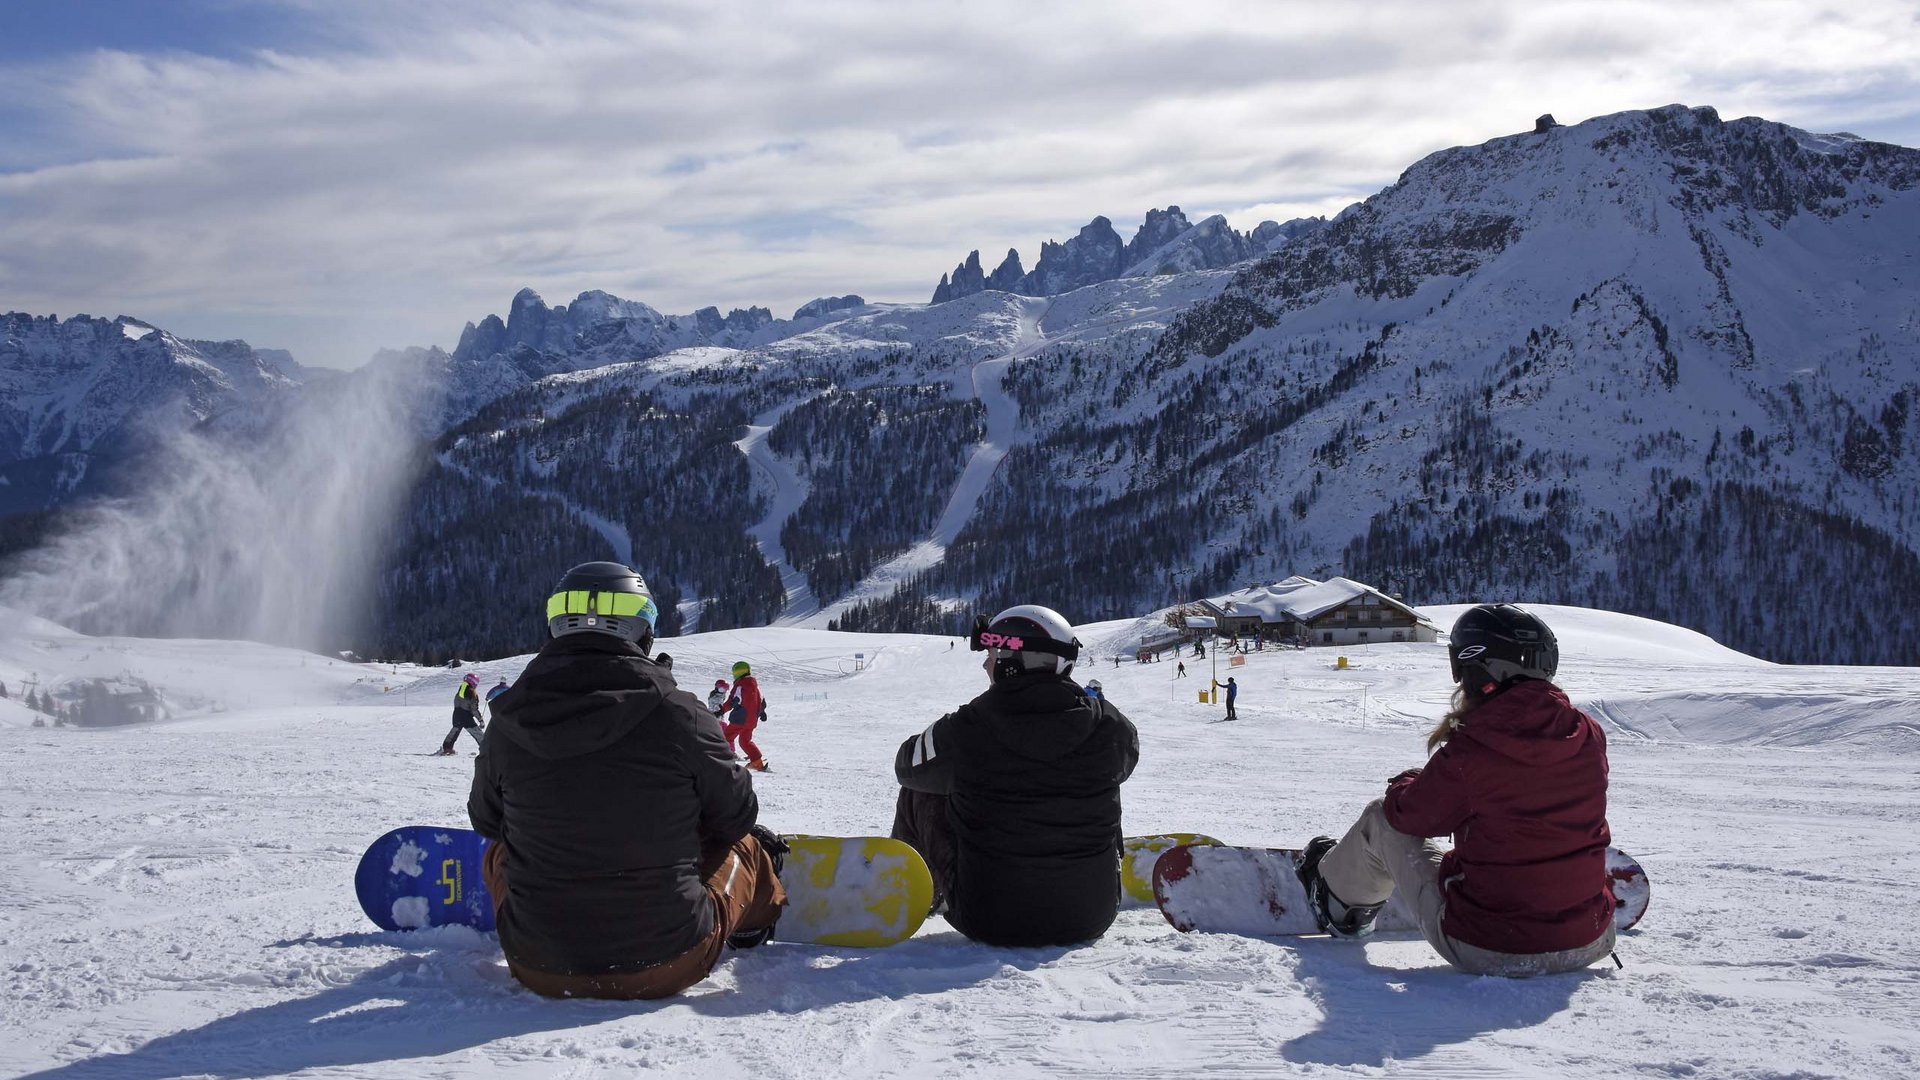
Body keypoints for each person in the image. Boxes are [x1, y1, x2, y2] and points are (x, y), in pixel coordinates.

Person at [469, 561, 786, 1000]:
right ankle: (752, 921)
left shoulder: (508, 719)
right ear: (644, 632)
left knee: (499, 850)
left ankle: (539, 909)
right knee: (745, 846)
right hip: (667, 961)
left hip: (535, 965)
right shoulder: (681, 713)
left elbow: (487, 821)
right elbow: (736, 816)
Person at [1294, 604, 1614, 977]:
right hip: (1591, 939)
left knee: (1380, 817)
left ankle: (1337, 902)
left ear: (1479, 668)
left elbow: (1409, 814)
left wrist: (1407, 782)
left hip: (1493, 948)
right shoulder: (1588, 734)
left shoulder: (1476, 748)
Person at [892, 605, 1139, 947]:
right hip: (1091, 916)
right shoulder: (1109, 725)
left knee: (921, 787)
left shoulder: (966, 729)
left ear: (1013, 662)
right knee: (1104, 774)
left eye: (993, 653)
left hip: (989, 918)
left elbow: (906, 765)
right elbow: (1127, 764)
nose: (986, 663)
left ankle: (909, 889)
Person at [718, 661, 768, 771]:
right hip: (751, 720)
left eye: (737, 672)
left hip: (740, 719)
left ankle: (721, 760)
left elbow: (733, 700)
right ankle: (757, 762)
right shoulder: (755, 685)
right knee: (745, 741)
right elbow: (761, 701)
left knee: (726, 737)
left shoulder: (740, 685)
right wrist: (762, 712)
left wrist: (722, 710)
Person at [435, 673, 486, 755]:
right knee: (478, 733)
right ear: (473, 683)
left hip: (456, 715)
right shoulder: (472, 694)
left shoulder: (460, 692)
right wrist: (481, 720)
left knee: (454, 733)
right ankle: (487, 749)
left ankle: (447, 748)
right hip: (466, 717)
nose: (476, 686)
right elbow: (474, 710)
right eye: (476, 684)